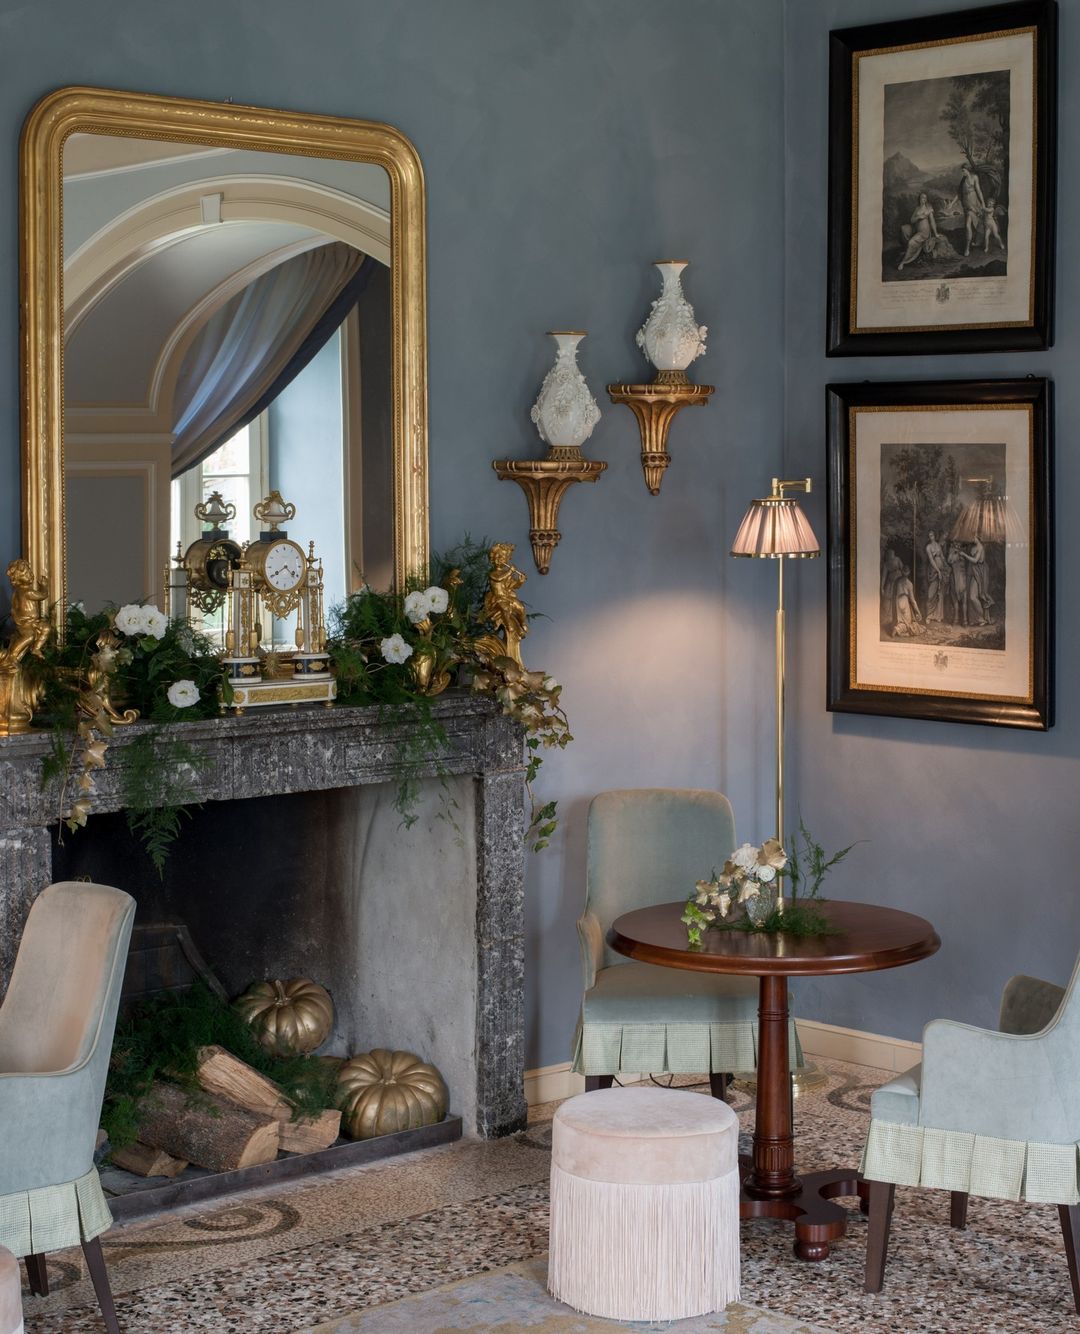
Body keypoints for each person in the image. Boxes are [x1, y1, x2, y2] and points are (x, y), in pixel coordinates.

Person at [897, 194, 940, 270]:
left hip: (924, 232)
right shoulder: (917, 208)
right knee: (904, 228)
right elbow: (912, 220)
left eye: (925, 198)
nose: (923, 199)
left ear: (926, 199)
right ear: (919, 199)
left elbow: (932, 222)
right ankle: (909, 251)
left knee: (911, 242)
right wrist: (918, 217)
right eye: (922, 197)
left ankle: (904, 262)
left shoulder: (928, 208)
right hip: (917, 230)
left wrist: (936, 233)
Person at [960, 538, 992, 625]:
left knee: (973, 597)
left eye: (973, 536)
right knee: (970, 596)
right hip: (972, 571)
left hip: (979, 572)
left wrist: (964, 555)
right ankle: (974, 620)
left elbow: (975, 560)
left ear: (977, 537)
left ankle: (982, 618)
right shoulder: (972, 546)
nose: (971, 538)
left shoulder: (980, 547)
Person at [959, 163, 986, 257]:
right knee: (969, 225)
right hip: (966, 205)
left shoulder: (974, 177)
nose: (962, 172)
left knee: (969, 225)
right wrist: (951, 204)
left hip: (974, 204)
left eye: (963, 171)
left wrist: (983, 203)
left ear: (967, 170)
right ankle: (969, 246)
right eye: (962, 171)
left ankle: (967, 248)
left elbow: (979, 191)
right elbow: (959, 193)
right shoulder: (963, 180)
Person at [891, 565, 923, 637]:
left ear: (902, 571)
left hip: (897, 601)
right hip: (904, 602)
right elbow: (912, 601)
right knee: (908, 623)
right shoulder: (909, 584)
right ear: (908, 572)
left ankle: (897, 628)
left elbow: (894, 593)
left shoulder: (897, 581)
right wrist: (918, 612)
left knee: (901, 620)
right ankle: (897, 629)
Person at [924, 530, 946, 621]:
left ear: (935, 535)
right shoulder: (928, 547)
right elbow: (931, 560)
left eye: (932, 535)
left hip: (941, 570)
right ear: (928, 537)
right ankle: (929, 615)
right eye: (930, 535)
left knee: (940, 594)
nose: (931, 537)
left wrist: (946, 566)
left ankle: (938, 616)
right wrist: (938, 571)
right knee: (931, 594)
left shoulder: (938, 545)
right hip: (933, 571)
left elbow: (942, 557)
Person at [947, 541, 969, 625]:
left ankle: (965, 620)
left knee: (964, 597)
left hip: (962, 578)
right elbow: (949, 560)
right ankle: (956, 619)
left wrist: (958, 554)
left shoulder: (962, 558)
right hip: (954, 577)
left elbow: (952, 560)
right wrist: (953, 553)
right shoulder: (952, 552)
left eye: (956, 552)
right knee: (954, 596)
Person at [881, 547, 903, 627]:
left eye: (892, 553)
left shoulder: (897, 559)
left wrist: (902, 579)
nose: (891, 555)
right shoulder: (886, 564)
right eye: (889, 554)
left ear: (893, 553)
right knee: (887, 598)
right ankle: (889, 617)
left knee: (898, 597)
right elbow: (884, 576)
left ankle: (899, 616)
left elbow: (903, 569)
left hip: (899, 580)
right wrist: (882, 587)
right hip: (890, 582)